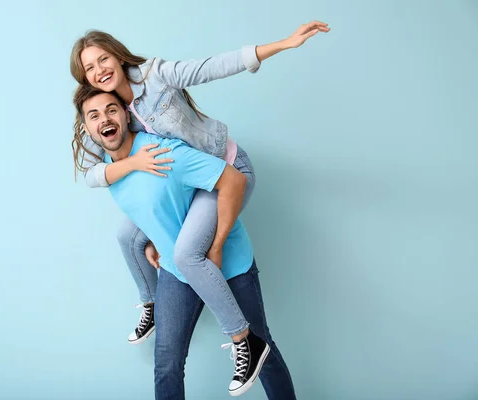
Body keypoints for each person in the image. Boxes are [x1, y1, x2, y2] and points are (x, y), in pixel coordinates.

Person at [69, 24, 330, 349]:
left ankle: (243, 340)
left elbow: (211, 67)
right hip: (189, 185)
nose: (99, 70)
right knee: (128, 236)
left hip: (224, 172)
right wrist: (134, 168)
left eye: (103, 59)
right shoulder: (110, 111)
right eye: (89, 68)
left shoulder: (156, 76)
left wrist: (282, 44)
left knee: (187, 254)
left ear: (117, 56)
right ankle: (151, 303)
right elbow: (92, 174)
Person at [73, 85, 297, 398]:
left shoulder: (162, 153)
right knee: (166, 362)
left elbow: (232, 179)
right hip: (177, 273)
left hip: (227, 262)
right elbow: (153, 207)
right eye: (94, 115)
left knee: (262, 351)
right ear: (87, 128)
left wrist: (216, 245)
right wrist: (151, 240)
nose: (105, 119)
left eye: (111, 109)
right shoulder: (110, 172)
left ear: (126, 114)